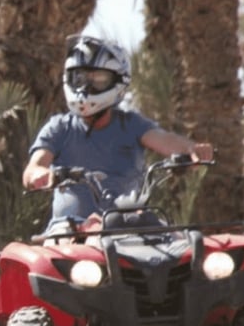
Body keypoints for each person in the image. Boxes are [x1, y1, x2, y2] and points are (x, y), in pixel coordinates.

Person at [23, 35, 213, 228]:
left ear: (118, 81)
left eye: (98, 79)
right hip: (69, 231)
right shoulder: (60, 128)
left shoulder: (131, 124)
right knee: (88, 237)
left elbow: (163, 139)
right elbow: (33, 168)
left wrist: (191, 150)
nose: (85, 87)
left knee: (179, 241)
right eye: (79, 78)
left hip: (127, 225)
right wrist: (39, 174)